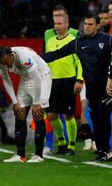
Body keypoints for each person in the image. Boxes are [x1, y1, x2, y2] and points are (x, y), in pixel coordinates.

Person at [43, 14, 112, 162]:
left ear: (97, 25)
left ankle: (107, 149)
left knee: (104, 118)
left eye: (90, 24)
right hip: (92, 87)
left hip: (107, 86)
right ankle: (103, 150)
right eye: (85, 24)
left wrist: (110, 77)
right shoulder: (78, 42)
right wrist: (37, 58)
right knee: (95, 119)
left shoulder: (107, 40)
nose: (87, 27)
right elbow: (58, 54)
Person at [0, 46, 52, 163]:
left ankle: (39, 155)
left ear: (12, 55)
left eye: (8, 62)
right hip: (26, 77)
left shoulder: (24, 56)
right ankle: (20, 155)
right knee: (19, 113)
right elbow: (6, 80)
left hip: (41, 76)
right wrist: (14, 101)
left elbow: (36, 77)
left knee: (37, 113)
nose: (6, 66)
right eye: (3, 64)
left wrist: (36, 103)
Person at [45, 11, 83, 155]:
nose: (57, 26)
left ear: (67, 24)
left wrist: (79, 79)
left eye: (60, 23)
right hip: (53, 81)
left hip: (69, 80)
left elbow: (79, 62)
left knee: (68, 115)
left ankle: (71, 146)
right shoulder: (50, 41)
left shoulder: (74, 40)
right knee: (51, 115)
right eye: (55, 23)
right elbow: (47, 61)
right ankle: (61, 142)